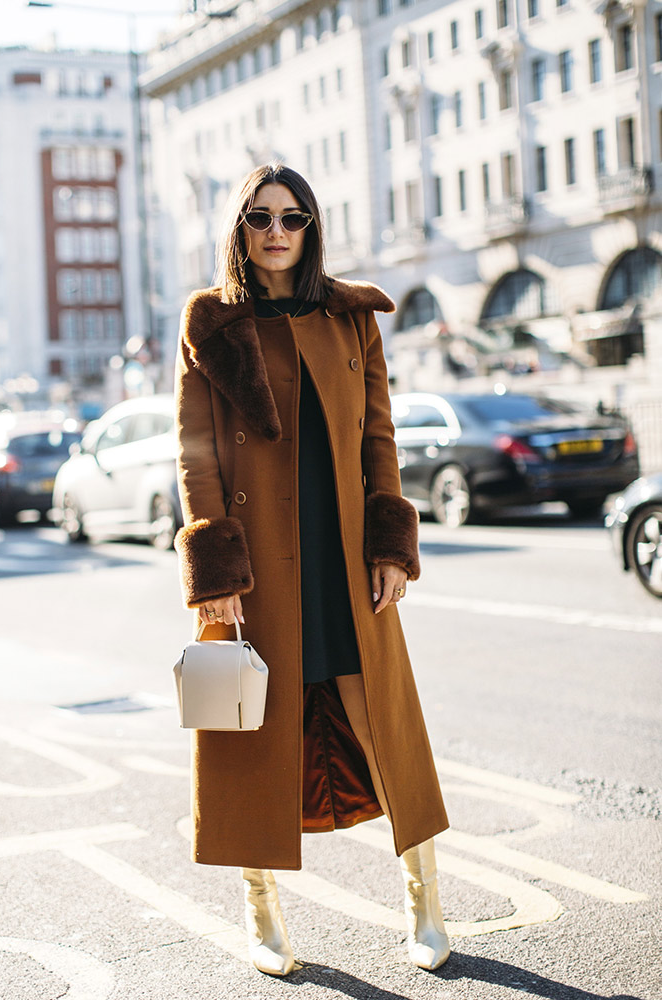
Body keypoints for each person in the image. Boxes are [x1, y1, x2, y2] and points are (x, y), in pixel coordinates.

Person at [173, 162, 450, 977]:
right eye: (259, 219)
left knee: (384, 727)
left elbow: (378, 439)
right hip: (253, 572)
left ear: (311, 227)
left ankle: (425, 900)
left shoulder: (349, 318)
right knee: (250, 737)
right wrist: (214, 569)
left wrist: (393, 547)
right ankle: (261, 912)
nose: (276, 234)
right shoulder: (212, 327)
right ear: (239, 230)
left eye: (291, 218)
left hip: (343, 562)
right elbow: (194, 457)